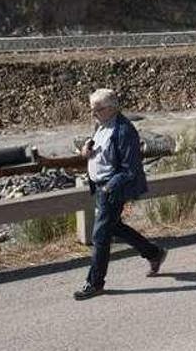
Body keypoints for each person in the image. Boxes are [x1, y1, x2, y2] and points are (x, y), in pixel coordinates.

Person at [65, 89, 165, 300]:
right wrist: (87, 152)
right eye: (92, 109)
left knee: (100, 236)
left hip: (112, 189)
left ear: (112, 108)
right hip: (100, 187)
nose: (93, 113)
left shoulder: (124, 131)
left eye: (97, 109)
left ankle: (95, 283)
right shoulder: (101, 124)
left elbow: (130, 169)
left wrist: (109, 187)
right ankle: (154, 253)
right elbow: (102, 151)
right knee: (114, 227)